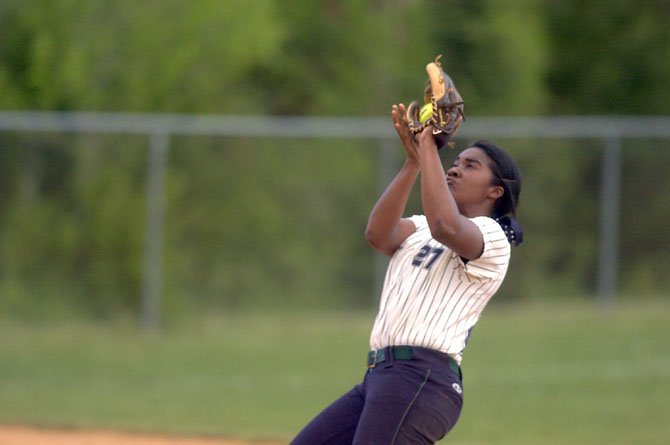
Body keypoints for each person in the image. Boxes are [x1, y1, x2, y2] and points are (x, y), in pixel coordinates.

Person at [291, 103, 523, 444]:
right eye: (455, 163)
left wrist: (429, 144)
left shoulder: (493, 237)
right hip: (380, 378)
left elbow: (446, 225)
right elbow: (379, 234)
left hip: (422, 379)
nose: (455, 170)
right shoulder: (422, 227)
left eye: (470, 166)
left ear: (495, 191)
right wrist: (415, 160)